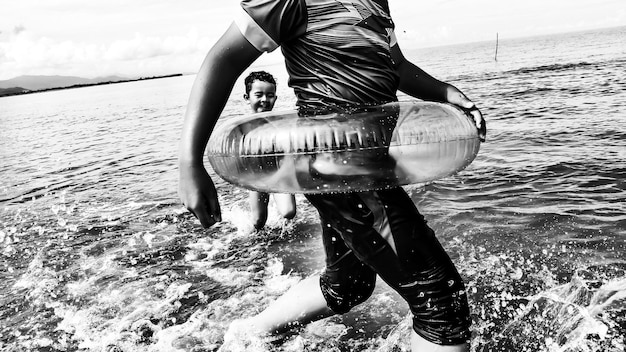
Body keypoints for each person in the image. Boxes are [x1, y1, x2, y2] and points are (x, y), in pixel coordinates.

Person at [178, 1, 486, 351]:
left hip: (372, 165)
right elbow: (223, 60)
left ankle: (247, 336)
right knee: (441, 303)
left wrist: (446, 92)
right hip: (339, 169)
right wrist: (190, 162)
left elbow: (395, 66)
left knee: (350, 284)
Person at [241, 71, 297, 230]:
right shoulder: (242, 128)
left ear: (276, 98)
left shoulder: (280, 125)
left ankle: (287, 235)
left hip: (279, 173)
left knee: (289, 212)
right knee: (258, 222)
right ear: (247, 98)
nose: (265, 99)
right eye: (258, 95)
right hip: (256, 176)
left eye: (270, 95)